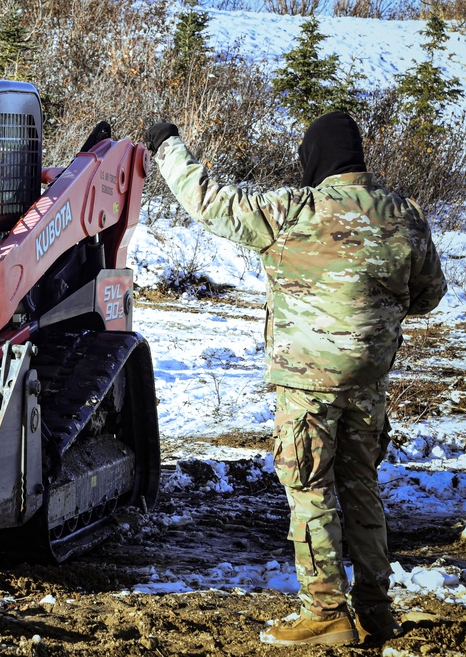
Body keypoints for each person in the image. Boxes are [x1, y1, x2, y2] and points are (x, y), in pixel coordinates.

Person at [144, 112, 447, 647]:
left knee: (310, 489)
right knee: (361, 488)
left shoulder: (292, 211)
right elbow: (429, 295)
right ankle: (377, 611)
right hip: (368, 384)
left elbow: (209, 199)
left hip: (309, 383)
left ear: (317, 159)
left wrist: (167, 145)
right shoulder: (405, 217)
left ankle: (327, 612)